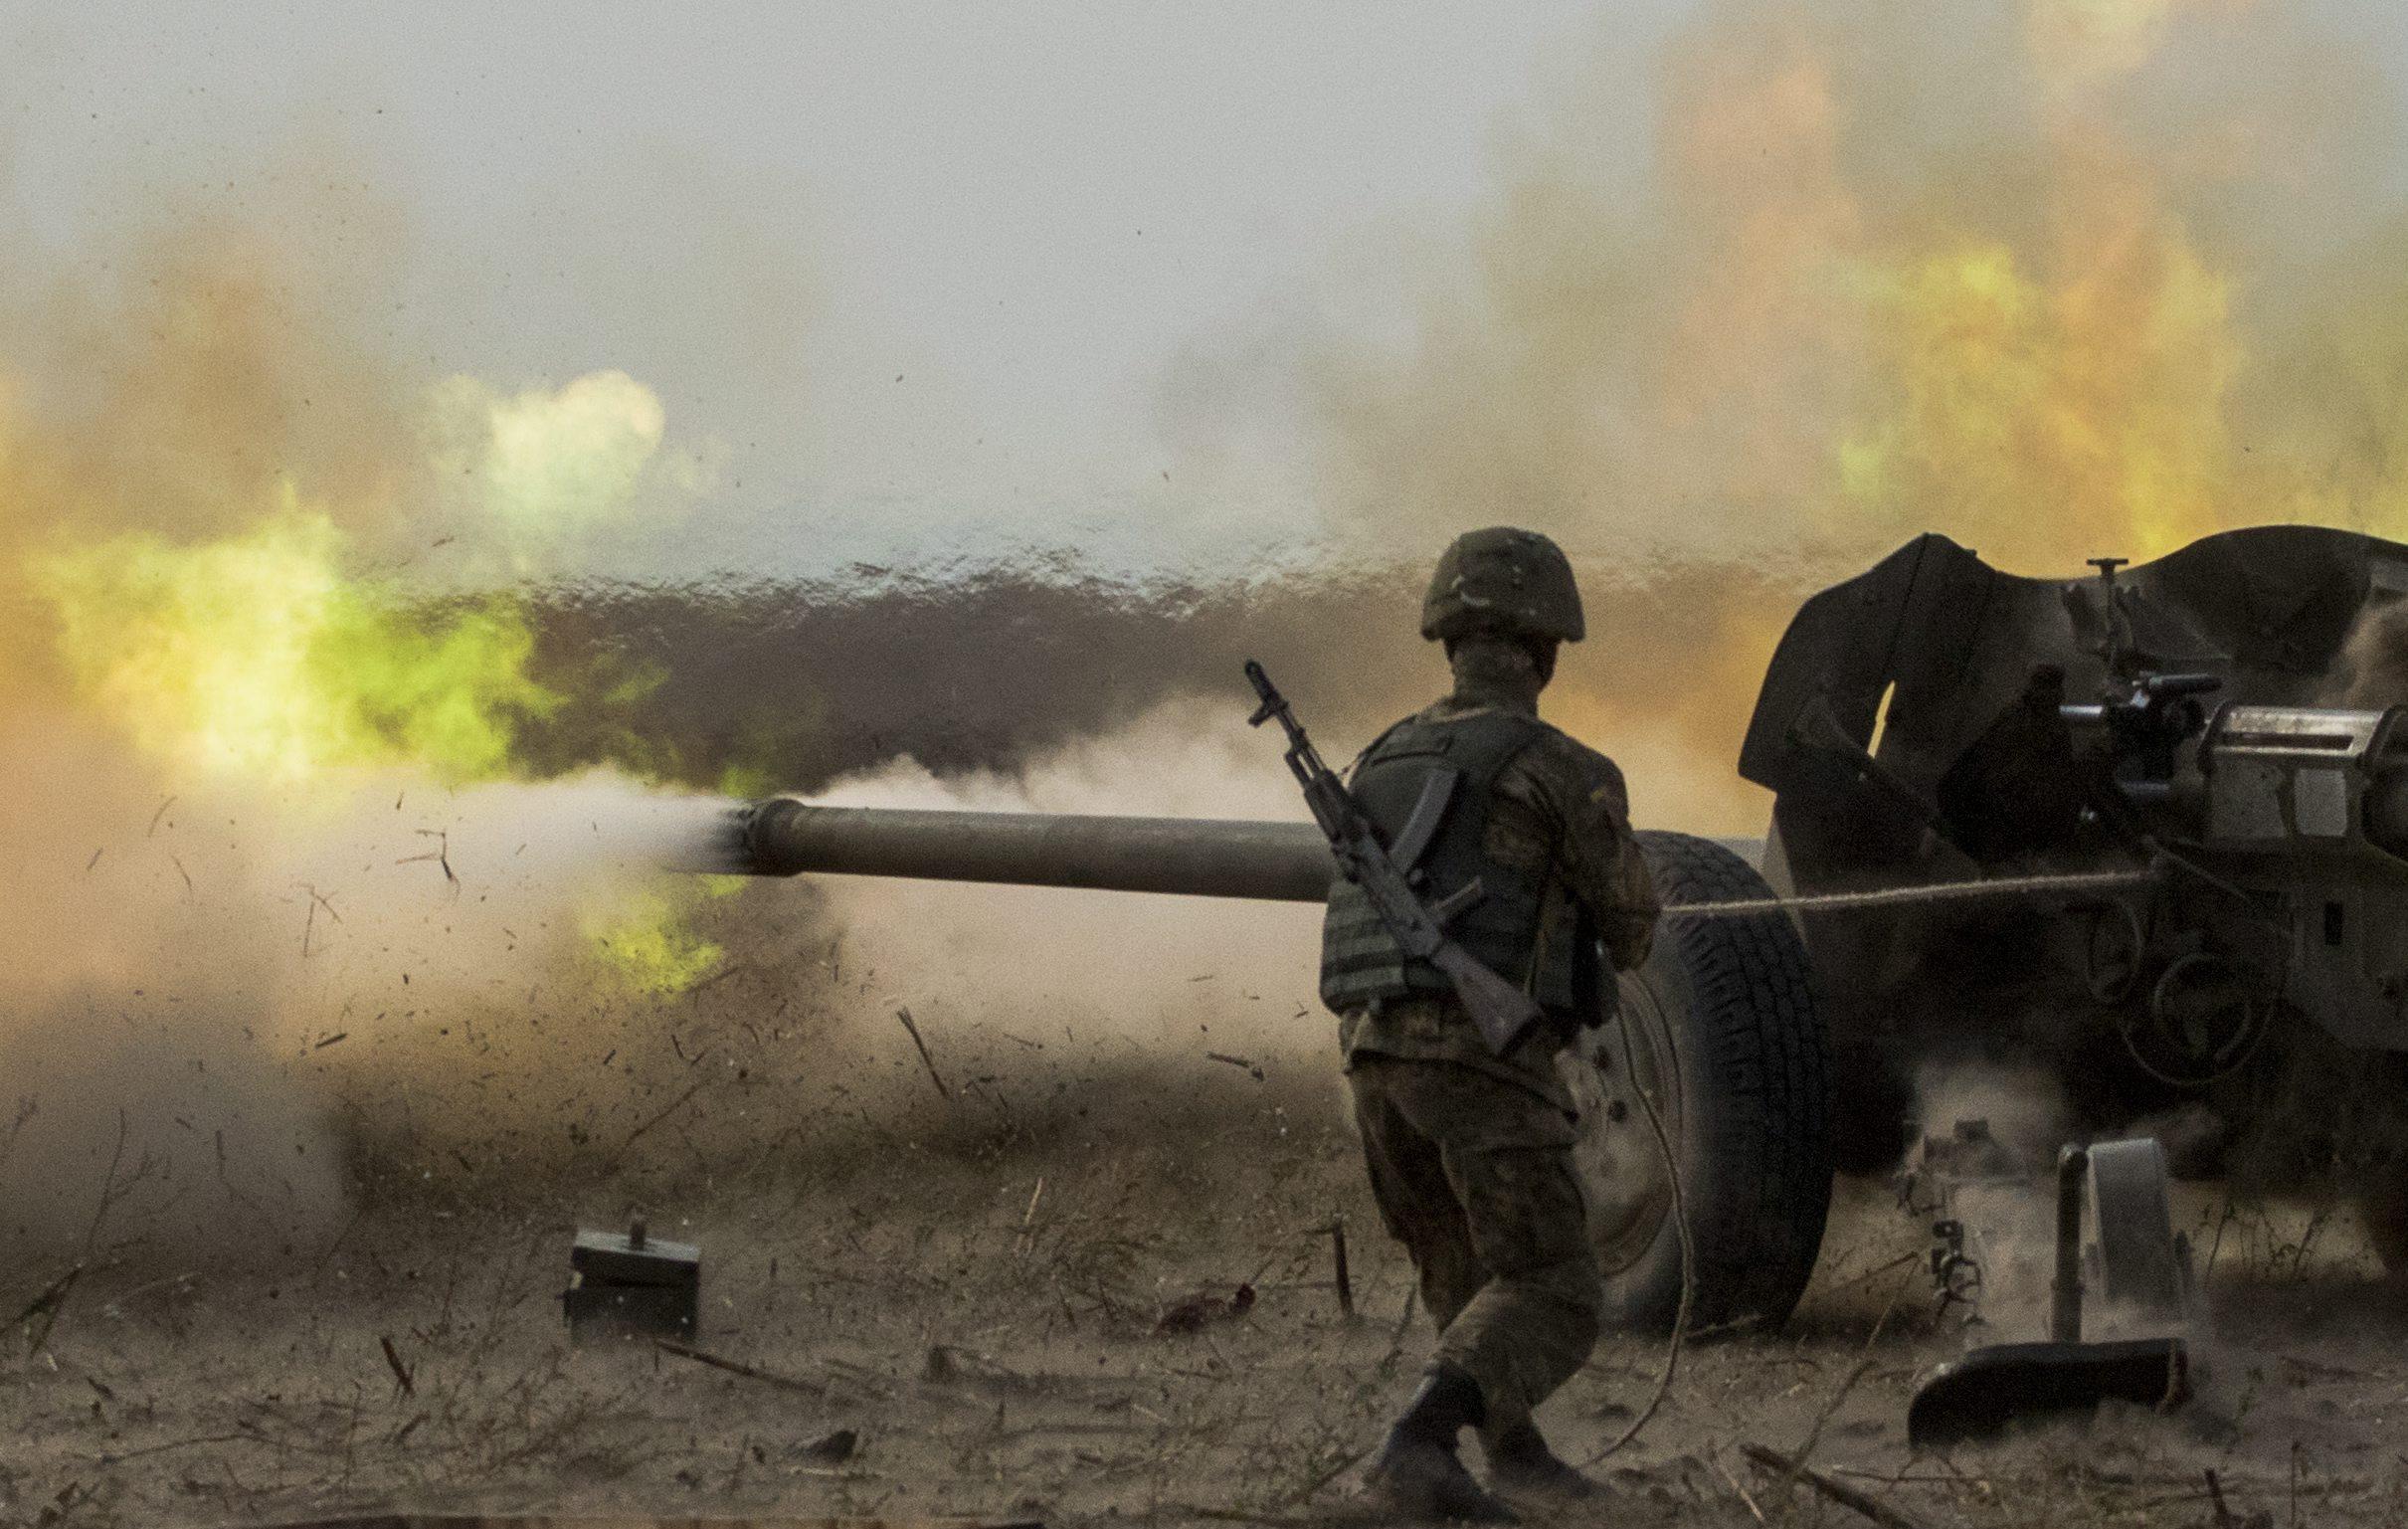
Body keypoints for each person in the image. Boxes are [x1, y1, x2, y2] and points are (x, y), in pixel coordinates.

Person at [1324, 526, 1660, 1520]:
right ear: (1549, 647)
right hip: (1482, 1062)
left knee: (1465, 1272)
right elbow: (1634, 928)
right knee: (1554, 1283)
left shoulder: (1378, 757)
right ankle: (1416, 1449)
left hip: (1376, 1063)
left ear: (1448, 640)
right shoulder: (1563, 767)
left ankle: (1514, 1456)